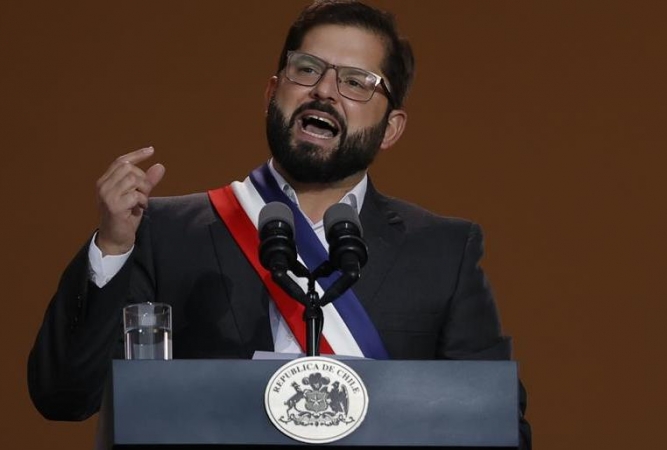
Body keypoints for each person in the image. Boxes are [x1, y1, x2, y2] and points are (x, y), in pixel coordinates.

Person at [28, 1, 531, 448]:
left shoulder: (443, 250)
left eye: (355, 81)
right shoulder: (163, 232)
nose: (325, 91)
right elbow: (65, 395)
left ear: (391, 128)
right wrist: (114, 244)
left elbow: (500, 426)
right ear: (273, 92)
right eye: (307, 69)